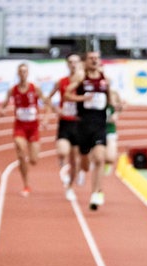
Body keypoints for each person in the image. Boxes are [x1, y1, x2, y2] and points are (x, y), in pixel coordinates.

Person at [0, 62, 51, 197]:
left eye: (25, 71)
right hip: (20, 127)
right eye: (21, 71)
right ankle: (26, 185)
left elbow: (48, 104)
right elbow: (3, 105)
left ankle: (29, 158)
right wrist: (2, 110)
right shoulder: (13, 90)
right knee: (21, 152)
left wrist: (46, 119)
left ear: (28, 73)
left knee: (34, 160)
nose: (23, 74)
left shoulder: (35, 88)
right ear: (18, 74)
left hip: (33, 128)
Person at [76, 51, 112, 211]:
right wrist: (82, 98)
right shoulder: (80, 77)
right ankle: (83, 171)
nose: (95, 60)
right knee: (85, 162)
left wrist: (117, 105)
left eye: (97, 58)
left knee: (99, 158)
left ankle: (96, 193)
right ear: (86, 61)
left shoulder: (106, 80)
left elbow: (110, 100)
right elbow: (68, 95)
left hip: (99, 125)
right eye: (91, 58)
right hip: (83, 125)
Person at [47, 53, 85, 201]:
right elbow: (48, 98)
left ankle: (69, 188)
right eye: (70, 62)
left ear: (79, 64)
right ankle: (64, 169)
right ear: (67, 64)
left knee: (75, 159)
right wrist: (55, 110)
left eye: (76, 62)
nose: (73, 64)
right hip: (65, 123)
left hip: (78, 124)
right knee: (63, 152)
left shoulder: (83, 83)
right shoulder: (61, 82)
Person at [104, 89, 124, 175]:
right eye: (111, 99)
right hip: (99, 132)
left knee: (111, 157)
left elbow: (114, 118)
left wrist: (118, 111)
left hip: (110, 133)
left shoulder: (115, 110)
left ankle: (108, 163)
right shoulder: (102, 106)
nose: (112, 102)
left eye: (114, 100)